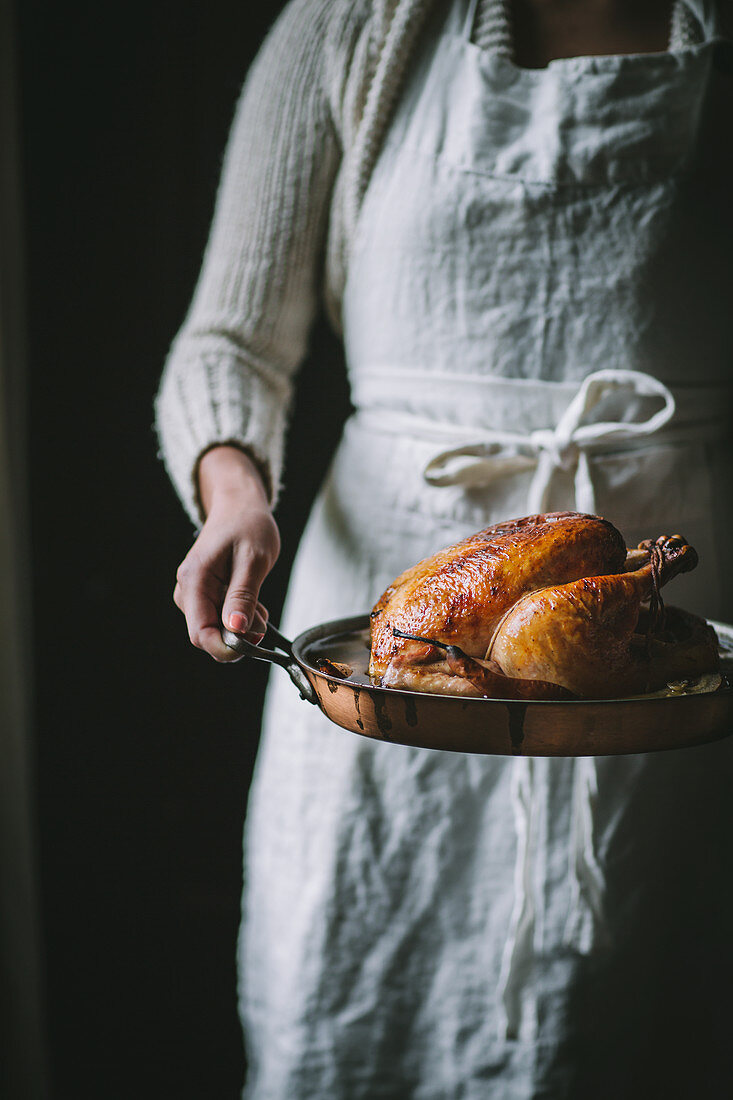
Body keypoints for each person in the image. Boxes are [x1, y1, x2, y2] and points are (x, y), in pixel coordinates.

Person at [156, 0, 733, 1095]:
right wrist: (234, 494)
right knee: (362, 995)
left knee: (651, 1004)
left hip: (680, 615)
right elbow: (228, 339)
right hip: (390, 618)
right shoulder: (353, 26)